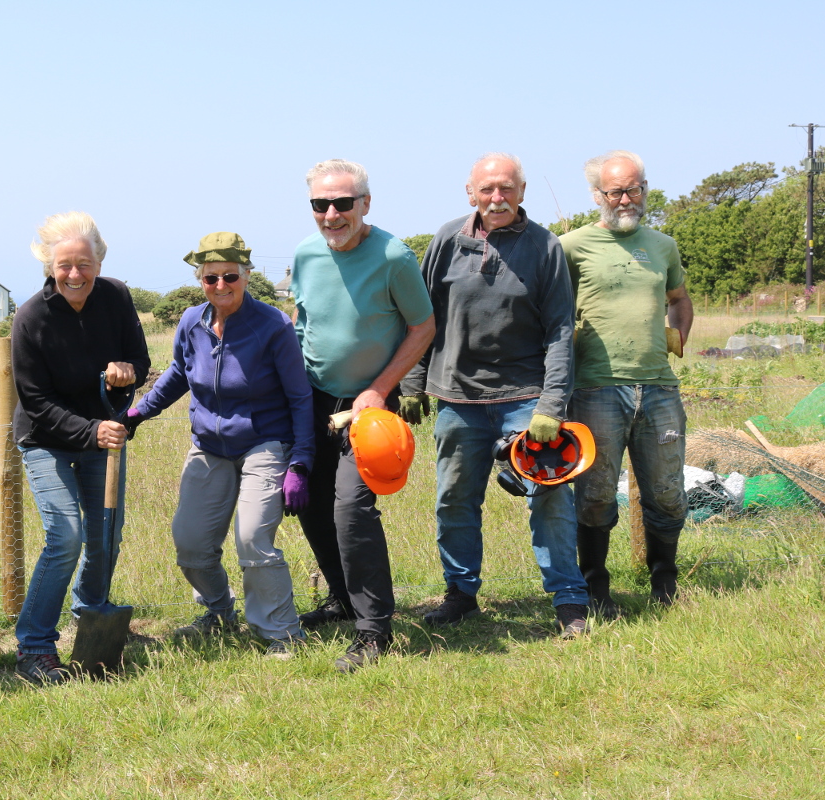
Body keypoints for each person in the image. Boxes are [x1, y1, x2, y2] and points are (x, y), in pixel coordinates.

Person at [401, 153, 590, 639]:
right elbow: (424, 319)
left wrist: (550, 406)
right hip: (458, 398)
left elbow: (560, 330)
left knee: (549, 494)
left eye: (506, 188)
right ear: (471, 193)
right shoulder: (446, 240)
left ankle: (569, 599)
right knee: (454, 499)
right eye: (487, 190)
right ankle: (461, 594)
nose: (497, 198)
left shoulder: (545, 247)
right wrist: (413, 383)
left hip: (524, 397)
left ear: (522, 192)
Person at [126, 232, 314, 658]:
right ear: (200, 280)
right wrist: (139, 412)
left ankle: (281, 633)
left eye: (230, 276)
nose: (221, 286)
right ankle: (218, 611)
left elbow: (300, 397)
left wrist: (300, 464)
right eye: (211, 278)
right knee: (190, 545)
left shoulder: (273, 326)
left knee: (252, 539)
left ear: (247, 276)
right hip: (209, 445)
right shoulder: (192, 321)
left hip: (264, 442)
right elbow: (179, 373)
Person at [291, 158, 435, 672]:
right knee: (310, 504)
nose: (332, 214)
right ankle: (340, 598)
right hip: (312, 401)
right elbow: (304, 321)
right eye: (320, 204)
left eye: (343, 203)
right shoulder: (305, 254)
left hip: (371, 406)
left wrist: (378, 389)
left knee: (352, 509)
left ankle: (374, 631)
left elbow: (422, 327)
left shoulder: (394, 256)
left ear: (365, 204)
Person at [11, 211, 150, 685]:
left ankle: (92, 616)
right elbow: (35, 401)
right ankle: (34, 646)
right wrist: (92, 432)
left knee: (107, 533)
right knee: (66, 535)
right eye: (65, 265)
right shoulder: (30, 318)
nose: (75, 274)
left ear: (99, 261)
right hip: (46, 439)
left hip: (104, 432)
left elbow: (141, 358)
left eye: (84, 264)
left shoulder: (116, 296)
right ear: (49, 266)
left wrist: (127, 372)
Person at [559, 150, 693, 617]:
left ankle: (665, 583)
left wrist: (676, 339)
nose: (624, 199)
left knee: (667, 492)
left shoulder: (663, 245)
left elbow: (679, 299)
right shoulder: (571, 246)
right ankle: (595, 588)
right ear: (598, 195)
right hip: (595, 389)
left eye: (633, 189)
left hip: (659, 389)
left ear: (645, 190)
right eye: (614, 191)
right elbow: (552, 312)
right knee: (595, 495)